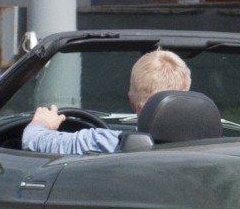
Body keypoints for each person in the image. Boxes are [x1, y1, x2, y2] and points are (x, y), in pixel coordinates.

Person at [21, 49, 191, 155]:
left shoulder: (106, 142)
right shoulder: (207, 146)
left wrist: (42, 122)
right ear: (187, 97)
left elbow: (32, 140)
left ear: (131, 101)